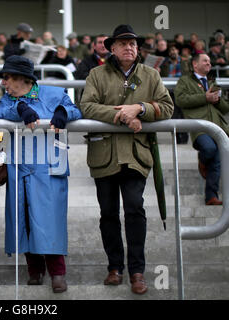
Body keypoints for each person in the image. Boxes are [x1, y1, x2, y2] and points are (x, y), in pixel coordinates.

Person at [80, 24, 174, 294]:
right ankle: (114, 267)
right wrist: (121, 115)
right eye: (123, 43)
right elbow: (86, 105)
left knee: (135, 209)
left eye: (133, 43)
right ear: (111, 48)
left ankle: (137, 271)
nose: (130, 47)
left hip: (135, 155)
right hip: (104, 155)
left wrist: (141, 108)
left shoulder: (150, 74)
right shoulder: (97, 74)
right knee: (108, 214)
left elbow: (167, 106)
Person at [0, 55, 82, 293]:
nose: (4, 83)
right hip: (20, 167)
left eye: (7, 78)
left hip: (49, 166)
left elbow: (76, 109)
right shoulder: (7, 100)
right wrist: (20, 108)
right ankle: (35, 270)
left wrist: (63, 112)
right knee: (24, 220)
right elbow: (0, 114)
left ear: (22, 78)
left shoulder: (54, 93)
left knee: (50, 220)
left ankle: (57, 273)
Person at [174, 53, 229, 205]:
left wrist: (217, 100)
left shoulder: (213, 81)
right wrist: (205, 97)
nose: (209, 64)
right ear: (195, 64)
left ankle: (211, 197)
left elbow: (225, 108)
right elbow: (180, 100)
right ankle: (202, 162)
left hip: (217, 127)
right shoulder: (184, 81)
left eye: (210, 61)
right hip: (199, 127)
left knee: (217, 162)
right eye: (205, 61)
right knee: (209, 149)